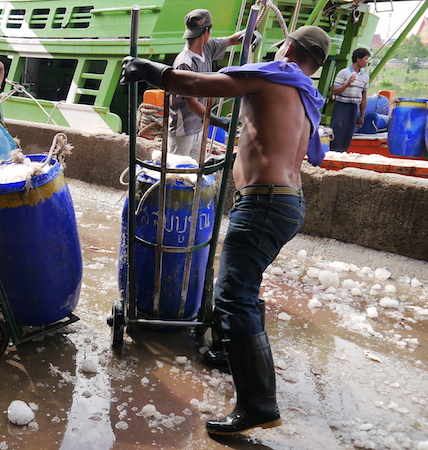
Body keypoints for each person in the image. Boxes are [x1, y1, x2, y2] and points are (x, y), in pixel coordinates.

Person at [121, 25, 330, 435]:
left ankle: (258, 404)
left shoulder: (275, 73)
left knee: (234, 296)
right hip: (288, 201)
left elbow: (196, 83)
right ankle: (228, 349)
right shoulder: (305, 94)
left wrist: (147, 68)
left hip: (265, 201)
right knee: (242, 289)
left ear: (289, 48)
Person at [167, 9, 256, 160]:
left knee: (196, 172)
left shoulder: (207, 48)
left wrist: (250, 34)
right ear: (206, 31)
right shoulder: (184, 63)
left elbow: (231, 39)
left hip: (199, 127)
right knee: (177, 174)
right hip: (182, 131)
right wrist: (219, 121)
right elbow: (191, 103)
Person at [329, 47, 370, 152]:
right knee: (337, 130)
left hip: (354, 107)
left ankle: (343, 153)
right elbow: (335, 91)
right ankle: (333, 152)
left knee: (348, 132)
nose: (367, 61)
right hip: (341, 106)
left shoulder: (365, 77)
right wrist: (347, 83)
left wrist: (361, 115)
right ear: (358, 59)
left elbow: (364, 97)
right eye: (365, 59)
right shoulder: (344, 73)